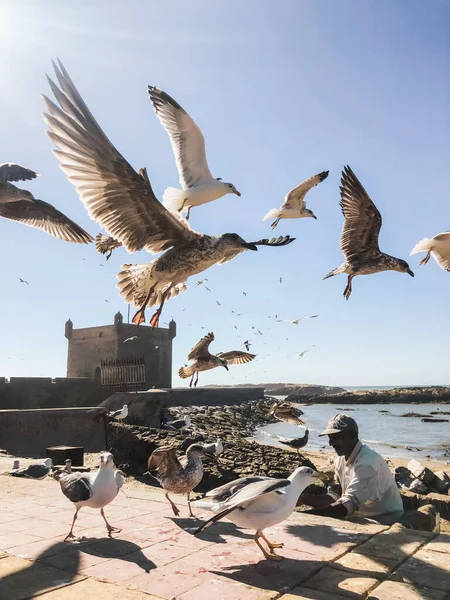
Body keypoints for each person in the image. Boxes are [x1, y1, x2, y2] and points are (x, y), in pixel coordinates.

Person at [300, 414, 405, 525]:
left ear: (353, 437)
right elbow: (335, 495)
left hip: (385, 518)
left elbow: (346, 505)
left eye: (336, 438)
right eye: (330, 439)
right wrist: (304, 499)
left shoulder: (367, 464)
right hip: (361, 516)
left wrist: (305, 516)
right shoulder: (340, 460)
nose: (331, 443)